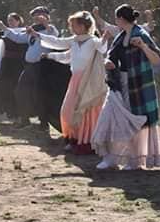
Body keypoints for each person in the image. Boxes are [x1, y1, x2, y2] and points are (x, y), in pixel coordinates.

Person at [92, 4, 160, 170]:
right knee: (110, 116)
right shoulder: (121, 35)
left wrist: (143, 46)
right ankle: (110, 157)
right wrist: (108, 62)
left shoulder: (142, 34)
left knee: (132, 122)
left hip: (137, 85)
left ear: (121, 19)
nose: (115, 21)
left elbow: (157, 59)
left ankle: (134, 159)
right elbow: (111, 55)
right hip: (118, 83)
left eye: (116, 18)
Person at [28, 11, 107, 155]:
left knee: (86, 112)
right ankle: (73, 139)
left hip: (89, 81)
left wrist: (105, 39)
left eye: (74, 25)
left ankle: (86, 142)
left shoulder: (93, 41)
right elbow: (62, 49)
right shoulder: (74, 40)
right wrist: (43, 44)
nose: (71, 28)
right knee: (68, 111)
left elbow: (102, 48)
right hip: (75, 80)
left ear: (82, 26)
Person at [0, 6, 69, 131]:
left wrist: (45, 23)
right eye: (35, 16)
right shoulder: (32, 30)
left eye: (39, 15)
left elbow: (55, 37)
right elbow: (18, 38)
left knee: (40, 94)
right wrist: (4, 28)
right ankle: (25, 120)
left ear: (46, 16)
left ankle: (43, 123)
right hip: (30, 66)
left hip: (43, 66)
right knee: (21, 91)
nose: (36, 18)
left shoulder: (50, 29)